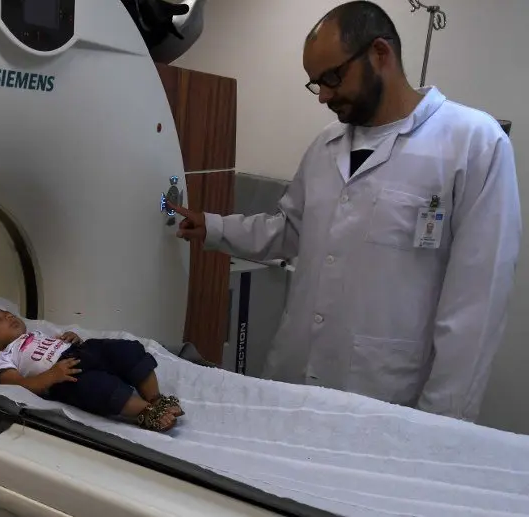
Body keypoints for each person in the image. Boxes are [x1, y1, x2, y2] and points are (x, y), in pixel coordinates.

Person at [169, 0, 521, 422]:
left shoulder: (473, 144)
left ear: (380, 54)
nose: (324, 96)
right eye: (315, 83)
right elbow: (289, 231)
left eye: (333, 78)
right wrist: (212, 226)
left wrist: (441, 427)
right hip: (292, 381)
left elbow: (474, 310)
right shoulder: (325, 146)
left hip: (386, 402)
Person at [0, 305, 185, 432]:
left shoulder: (34, 335)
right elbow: (18, 384)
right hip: (62, 376)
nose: (7, 317)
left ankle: (156, 398)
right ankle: (145, 411)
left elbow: (57, 346)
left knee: (126, 350)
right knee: (97, 387)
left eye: (8, 314)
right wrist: (51, 376)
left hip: (83, 351)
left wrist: (72, 340)